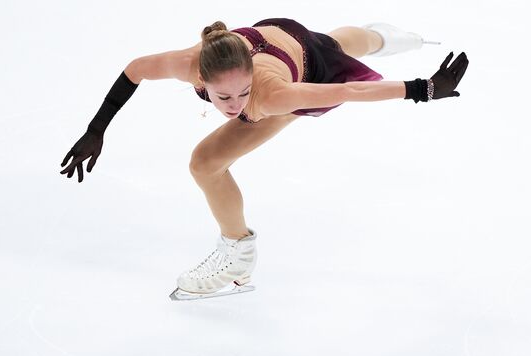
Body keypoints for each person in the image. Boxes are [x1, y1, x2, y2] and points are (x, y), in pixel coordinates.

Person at [60, 18, 469, 299]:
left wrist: (422, 88)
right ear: (200, 78)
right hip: (286, 34)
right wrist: (97, 128)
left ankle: (238, 256)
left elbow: (350, 92)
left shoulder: (270, 94)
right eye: (223, 97)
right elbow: (135, 69)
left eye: (242, 92)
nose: (235, 105)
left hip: (301, 64)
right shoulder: (190, 62)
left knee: (204, 161)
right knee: (338, 42)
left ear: (250, 76)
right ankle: (385, 37)